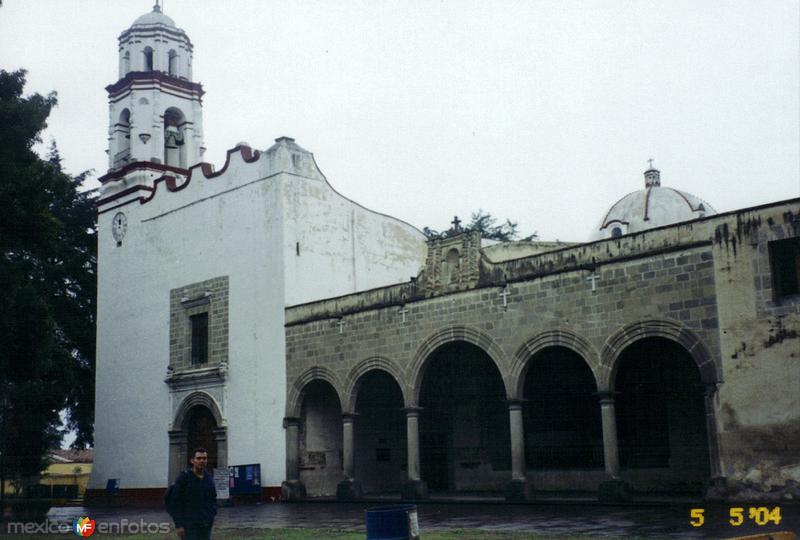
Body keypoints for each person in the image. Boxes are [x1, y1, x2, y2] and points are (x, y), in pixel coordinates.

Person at [166, 448, 217, 540]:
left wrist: (212, 514)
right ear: (192, 460)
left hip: (205, 525)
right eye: (199, 458)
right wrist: (179, 525)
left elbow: (213, 498)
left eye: (204, 458)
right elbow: (174, 502)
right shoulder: (184, 478)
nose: (202, 461)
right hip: (189, 526)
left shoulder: (209, 478)